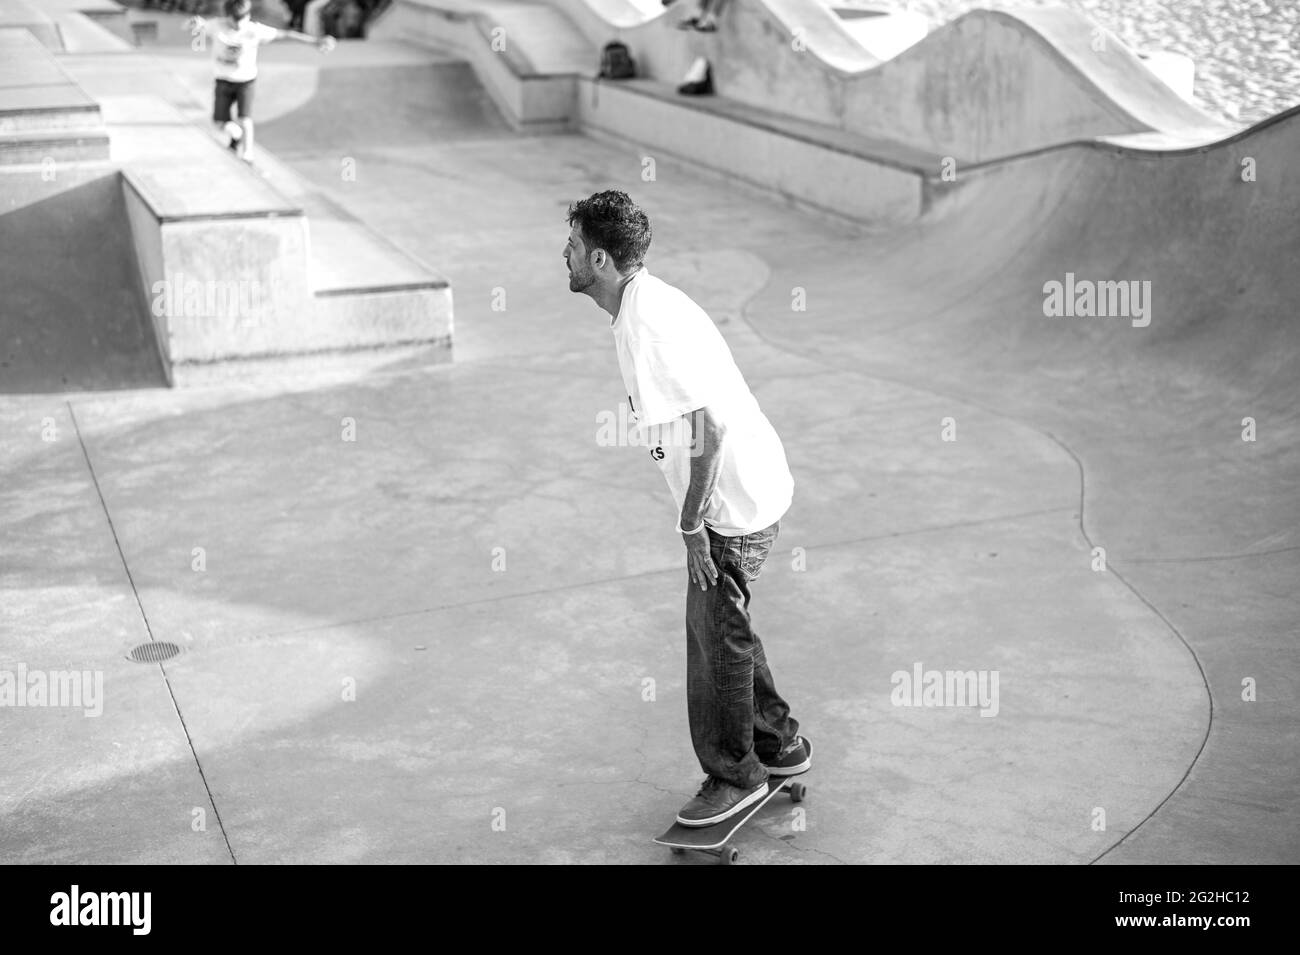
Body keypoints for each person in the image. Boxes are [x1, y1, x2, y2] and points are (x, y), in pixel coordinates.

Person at [564, 191, 811, 827]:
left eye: (571, 247)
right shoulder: (639, 306)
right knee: (725, 624)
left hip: (730, 508)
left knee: (713, 641)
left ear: (599, 259)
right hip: (746, 492)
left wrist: (691, 526)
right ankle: (777, 743)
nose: (562, 255)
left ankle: (736, 776)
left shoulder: (648, 324)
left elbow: (709, 429)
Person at [187, 0, 335, 163]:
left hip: (246, 81)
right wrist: (194, 22)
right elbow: (197, 25)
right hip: (222, 79)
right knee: (219, 123)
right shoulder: (216, 25)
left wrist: (315, 41)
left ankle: (248, 153)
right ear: (227, 17)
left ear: (248, 16)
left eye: (241, 21)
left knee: (245, 118)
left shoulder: (255, 30)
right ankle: (236, 135)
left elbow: (286, 35)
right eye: (233, 22)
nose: (237, 26)